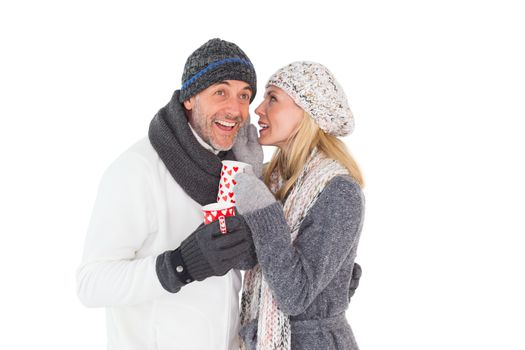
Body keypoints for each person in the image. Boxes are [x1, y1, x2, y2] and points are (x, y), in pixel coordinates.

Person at [76, 38, 263, 350]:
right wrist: (180, 265)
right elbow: (91, 284)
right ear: (189, 98)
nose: (235, 109)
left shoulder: (232, 168)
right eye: (221, 92)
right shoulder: (138, 170)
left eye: (244, 95)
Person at [233, 61, 365, 349]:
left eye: (273, 98)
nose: (258, 109)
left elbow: (294, 295)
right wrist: (251, 172)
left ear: (307, 112)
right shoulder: (274, 180)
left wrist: (262, 210)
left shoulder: (339, 191)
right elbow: (245, 259)